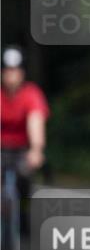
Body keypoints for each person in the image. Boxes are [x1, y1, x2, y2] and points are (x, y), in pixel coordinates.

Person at [1, 44, 49, 195]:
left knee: (24, 178)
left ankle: (24, 206)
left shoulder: (31, 93)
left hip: (22, 150)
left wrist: (36, 149)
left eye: (15, 70)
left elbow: (36, 120)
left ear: (22, 73)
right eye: (7, 70)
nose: (11, 75)